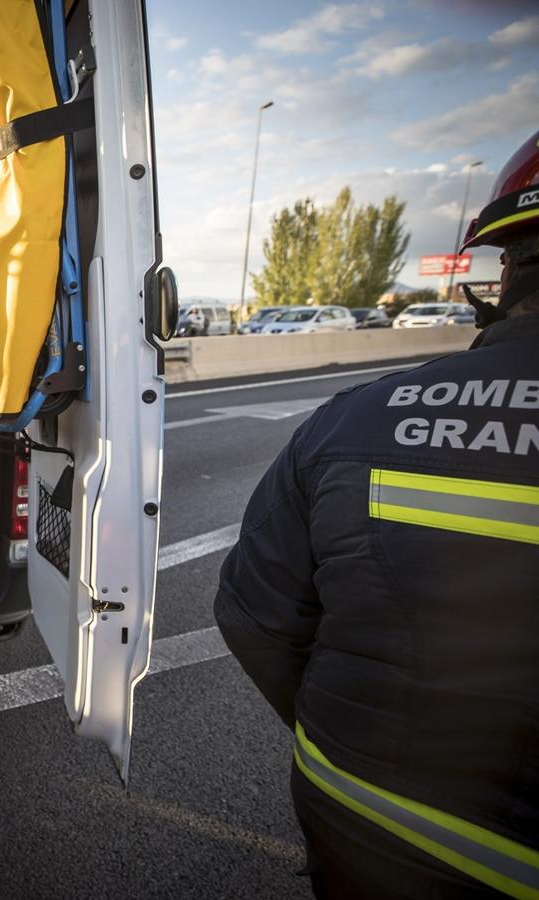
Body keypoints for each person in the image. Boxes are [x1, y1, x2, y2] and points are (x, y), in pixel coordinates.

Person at [214, 130, 539, 900]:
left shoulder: (353, 416)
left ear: (500, 271)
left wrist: (348, 740)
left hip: (358, 814)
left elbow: (251, 615)